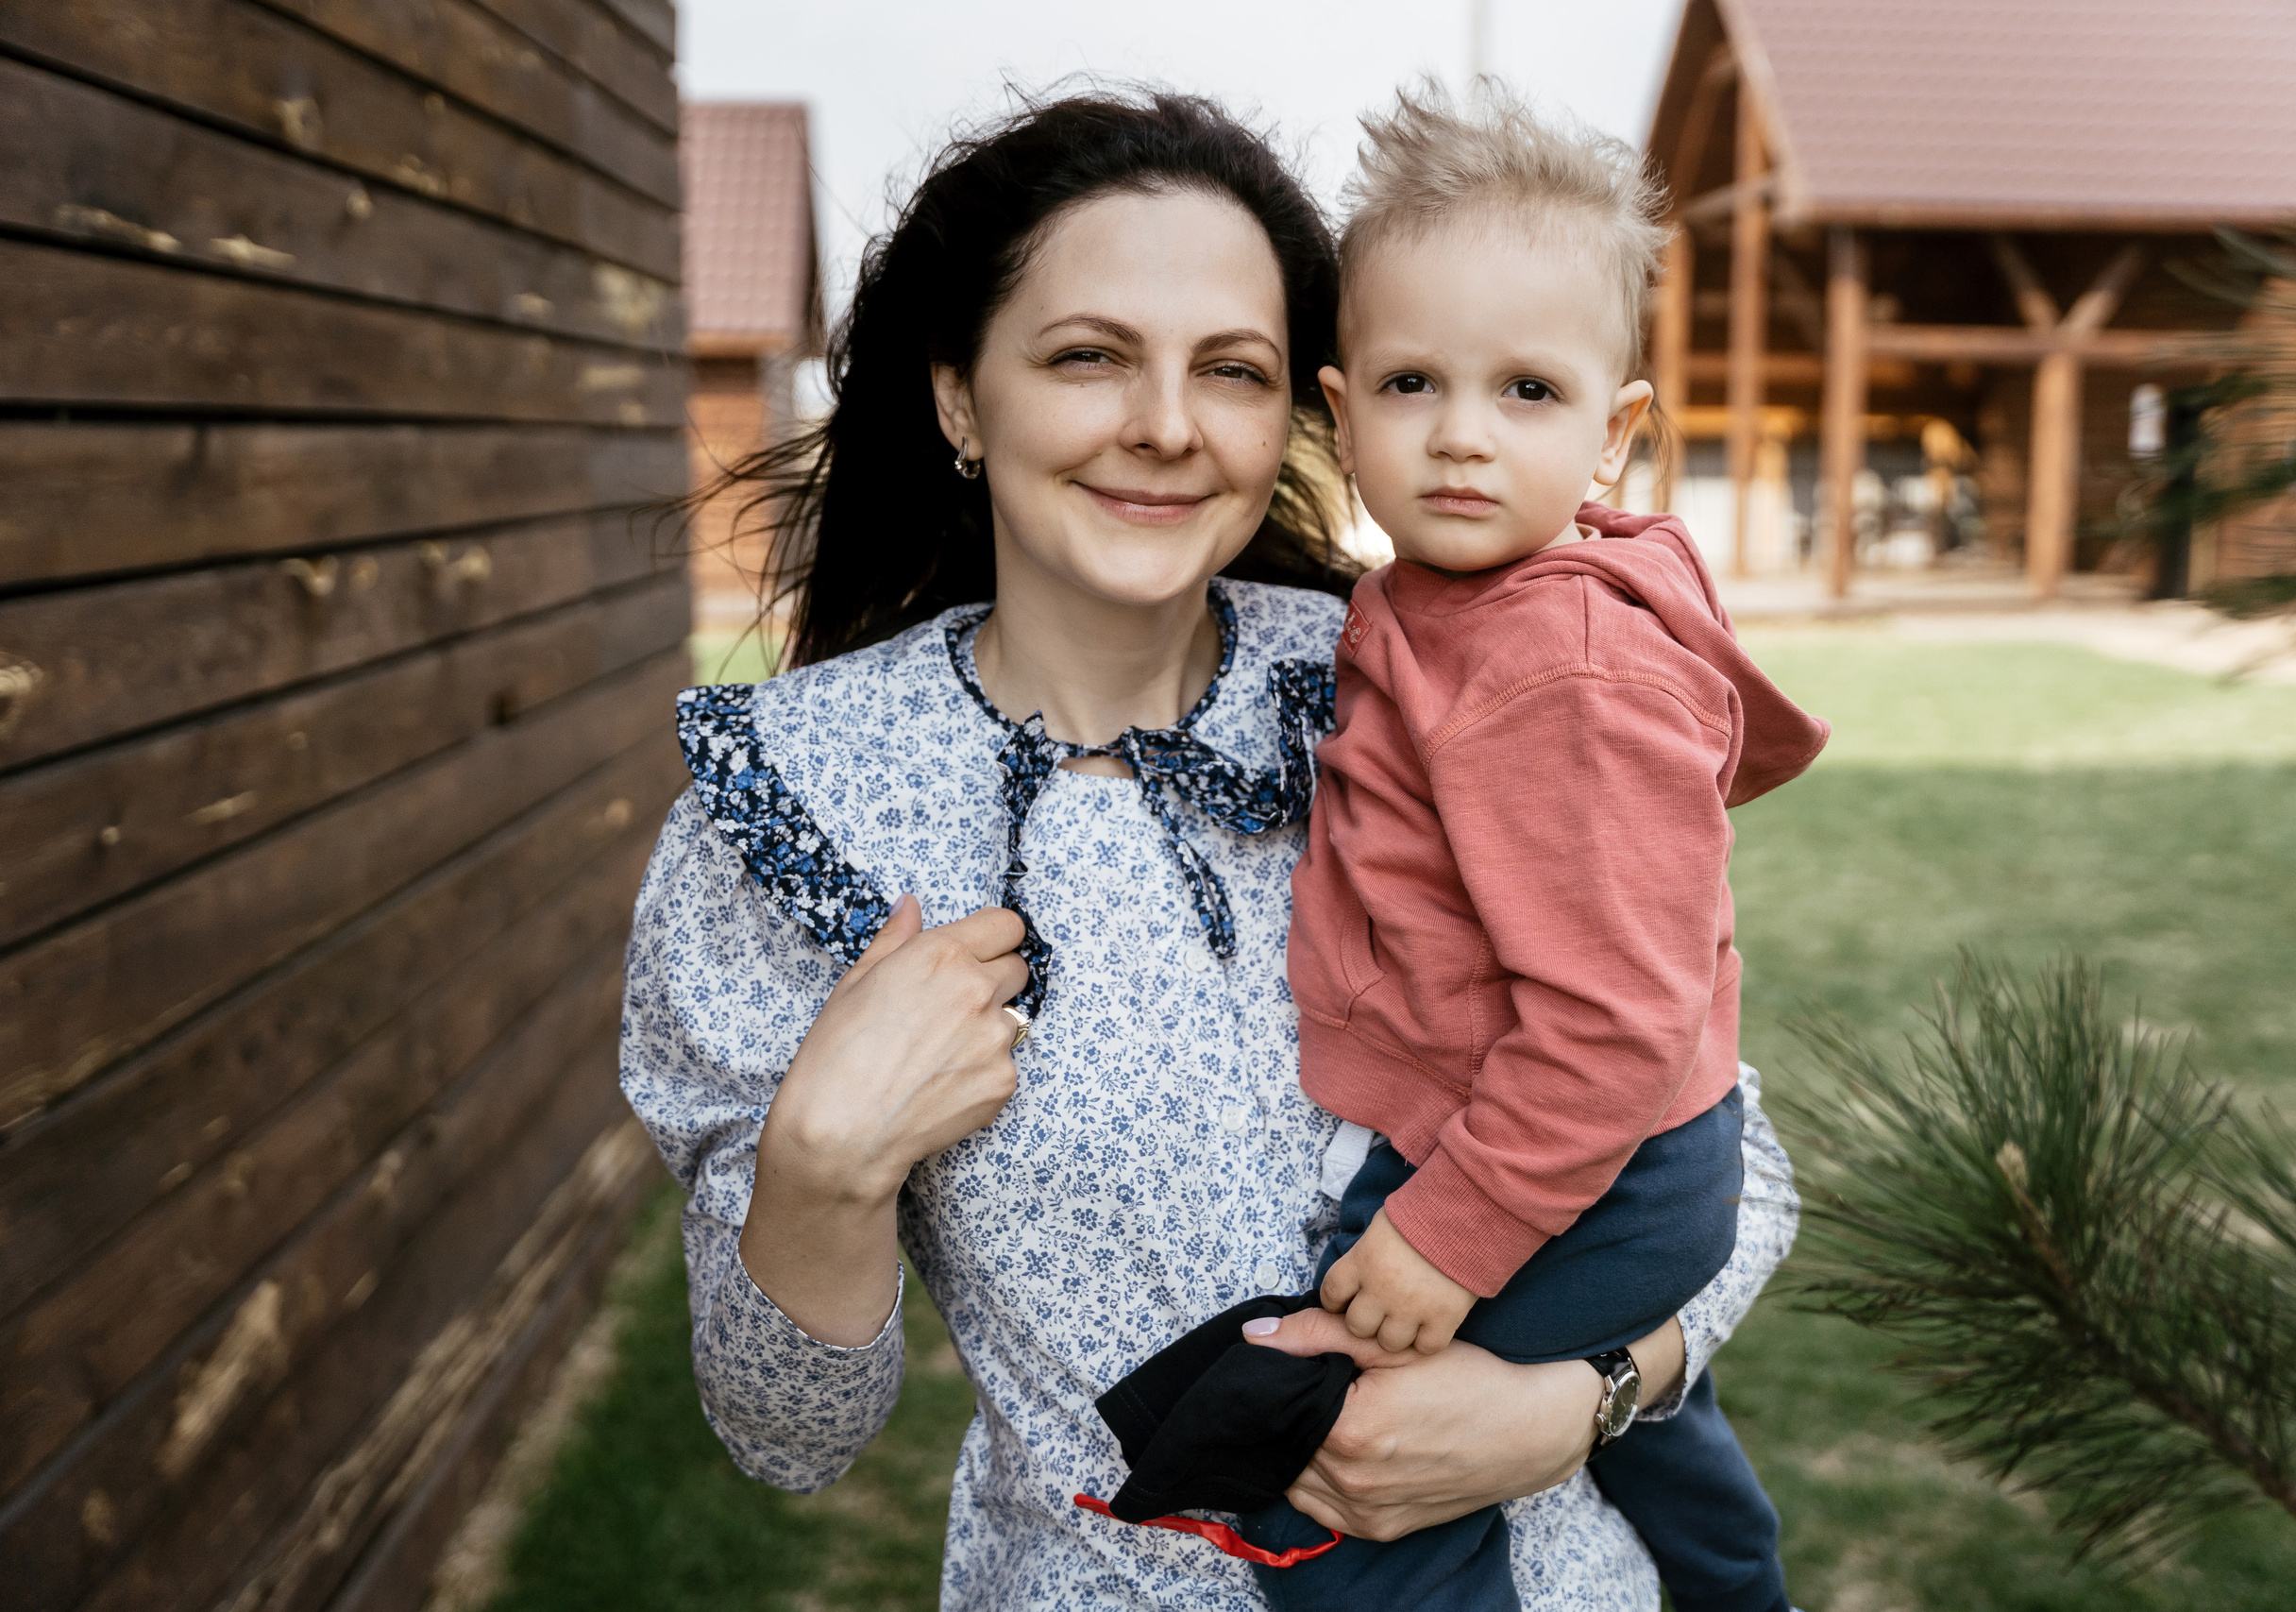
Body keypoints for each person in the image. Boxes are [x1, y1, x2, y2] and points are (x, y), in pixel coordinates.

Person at [619, 85, 1798, 1611]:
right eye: (1089, 355)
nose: (1167, 426)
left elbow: (1732, 1154)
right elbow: (790, 1439)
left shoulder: (1433, 668)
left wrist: (1575, 1402)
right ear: (963, 398)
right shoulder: (795, 804)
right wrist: (824, 1163)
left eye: (1227, 372)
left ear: (1291, 412)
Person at [1152, 83, 1826, 1610]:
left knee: (1363, 1502)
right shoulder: (1441, 605)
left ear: (1616, 427)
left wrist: (1447, 1242)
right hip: (1616, 1150)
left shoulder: (1556, 670)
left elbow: (1613, 1018)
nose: (1461, 439)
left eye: (1527, 391)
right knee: (1669, 1445)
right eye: (1411, 386)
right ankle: (1734, 1580)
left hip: (1578, 1163)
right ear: (1340, 410)